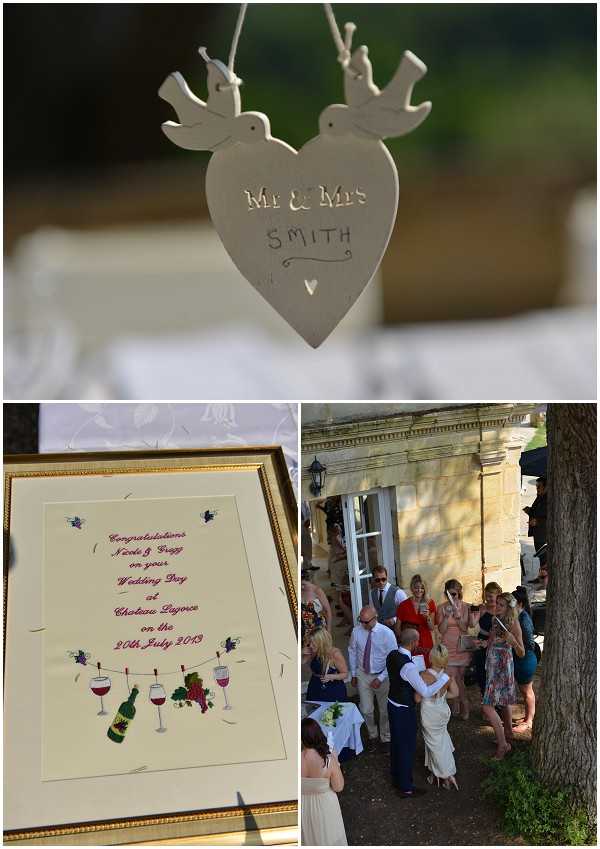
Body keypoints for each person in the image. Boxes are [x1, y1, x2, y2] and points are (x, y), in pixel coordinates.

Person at [386, 628, 450, 796]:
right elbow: (425, 692)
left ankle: (396, 776)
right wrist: (443, 679)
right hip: (403, 710)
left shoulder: (392, 654)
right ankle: (406, 787)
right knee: (406, 746)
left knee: (396, 743)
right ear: (414, 643)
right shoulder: (408, 667)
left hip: (391, 703)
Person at [481, 592, 525, 759]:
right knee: (504, 701)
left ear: (508, 608)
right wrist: (484, 643)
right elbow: (491, 641)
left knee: (487, 706)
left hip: (502, 666)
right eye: (496, 604)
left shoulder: (514, 624)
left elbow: (521, 652)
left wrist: (512, 639)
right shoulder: (494, 620)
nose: (496, 607)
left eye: (501, 605)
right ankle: (508, 734)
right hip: (492, 665)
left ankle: (503, 745)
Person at [348, 605, 397, 743]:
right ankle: (372, 734)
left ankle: (386, 737)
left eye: (365, 621)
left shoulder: (387, 633)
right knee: (366, 709)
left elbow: (393, 659)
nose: (362, 624)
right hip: (363, 674)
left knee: (384, 710)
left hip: (383, 675)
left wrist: (381, 678)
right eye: (360, 620)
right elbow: (352, 651)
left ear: (375, 618)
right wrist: (353, 674)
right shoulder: (356, 631)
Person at [418, 643, 459, 789]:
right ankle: (434, 772)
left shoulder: (424, 675)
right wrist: (442, 695)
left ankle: (446, 774)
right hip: (442, 711)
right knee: (440, 742)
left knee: (434, 744)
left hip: (429, 714)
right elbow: (455, 694)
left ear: (431, 657)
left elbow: (417, 697)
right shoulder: (446, 675)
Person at [301, 717, 347, 846]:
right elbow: (338, 787)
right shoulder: (328, 759)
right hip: (324, 806)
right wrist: (336, 762)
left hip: (304, 806)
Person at [436, 579, 476, 719]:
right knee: (451, 677)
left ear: (460, 593)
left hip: (461, 647)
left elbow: (466, 629)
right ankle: (457, 704)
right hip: (448, 647)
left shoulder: (466, 607)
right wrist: (447, 616)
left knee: (460, 678)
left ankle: (463, 704)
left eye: (455, 594)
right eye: (450, 595)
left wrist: (458, 618)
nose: (453, 597)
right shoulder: (441, 607)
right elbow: (441, 630)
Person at [511, 586, 538, 732]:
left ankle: (529, 721)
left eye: (512, 603)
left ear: (520, 604)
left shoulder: (524, 618)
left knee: (527, 690)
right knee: (524, 689)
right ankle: (529, 716)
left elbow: (529, 643)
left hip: (525, 658)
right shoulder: (517, 616)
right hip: (520, 658)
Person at [396, 574, 436, 665]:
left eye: (422, 588)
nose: (419, 590)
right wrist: (403, 642)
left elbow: (432, 628)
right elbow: (397, 628)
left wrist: (428, 618)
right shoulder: (403, 605)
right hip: (410, 643)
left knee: (427, 669)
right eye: (416, 587)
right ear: (412, 588)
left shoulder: (430, 603)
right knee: (411, 669)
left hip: (425, 642)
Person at [303, 627, 348, 703]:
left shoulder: (334, 653)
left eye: (313, 643)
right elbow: (302, 662)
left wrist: (331, 676)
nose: (310, 645)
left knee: (332, 713)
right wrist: (302, 652)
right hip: (315, 685)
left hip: (333, 688)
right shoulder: (312, 650)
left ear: (321, 642)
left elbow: (345, 674)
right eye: (309, 642)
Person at [473, 581, 502, 696]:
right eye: (486, 596)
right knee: (482, 672)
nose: (488, 599)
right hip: (481, 641)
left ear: (498, 595)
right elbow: (472, 624)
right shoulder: (482, 608)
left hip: (496, 643)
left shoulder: (502, 610)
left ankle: (496, 700)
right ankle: (485, 697)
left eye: (491, 596)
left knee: (494, 672)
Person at [524, 477, 548, 584]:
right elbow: (536, 511)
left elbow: (550, 518)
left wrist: (537, 521)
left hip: (543, 534)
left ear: (546, 487)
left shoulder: (548, 499)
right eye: (536, 487)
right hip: (538, 533)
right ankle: (541, 578)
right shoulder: (539, 497)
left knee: (544, 558)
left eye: (539, 487)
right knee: (541, 557)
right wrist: (529, 511)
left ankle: (544, 579)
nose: (537, 489)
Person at [301, 571, 332, 643]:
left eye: (304, 584)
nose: (302, 587)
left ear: (309, 581)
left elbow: (328, 612)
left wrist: (329, 632)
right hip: (305, 628)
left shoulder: (317, 590)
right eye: (300, 584)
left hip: (318, 628)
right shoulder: (299, 591)